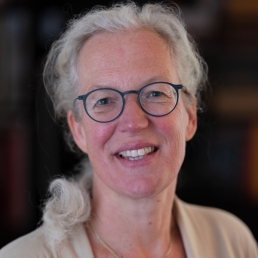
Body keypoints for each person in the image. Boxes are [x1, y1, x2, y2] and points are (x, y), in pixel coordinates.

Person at [0, 2, 257, 258]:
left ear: (189, 117)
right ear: (78, 130)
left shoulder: (231, 240)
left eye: (155, 93)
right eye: (104, 101)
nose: (134, 122)